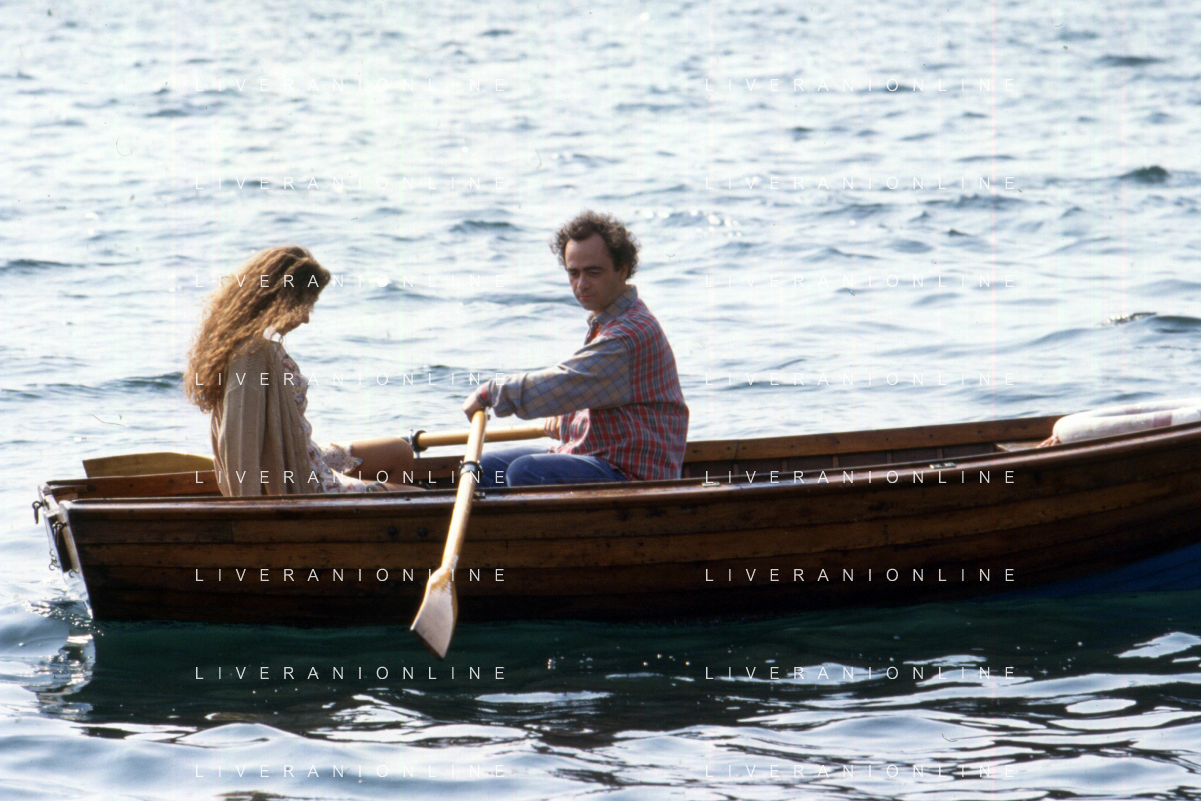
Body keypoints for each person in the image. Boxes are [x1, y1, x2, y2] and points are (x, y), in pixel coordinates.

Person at [463, 211, 689, 487]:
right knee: (485, 469)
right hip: (596, 456)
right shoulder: (609, 321)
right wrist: (567, 417)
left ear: (622, 270)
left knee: (525, 471)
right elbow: (591, 390)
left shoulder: (627, 334)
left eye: (593, 272)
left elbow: (566, 382)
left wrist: (490, 393)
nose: (581, 284)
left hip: (632, 477)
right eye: (574, 273)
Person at [186, 245, 420, 496]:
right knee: (414, 495)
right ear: (283, 299)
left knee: (399, 451)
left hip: (303, 458)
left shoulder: (249, 348)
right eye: (305, 305)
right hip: (304, 484)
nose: (307, 318)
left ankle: (376, 517)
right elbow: (238, 445)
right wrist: (251, 512)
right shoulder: (252, 357)